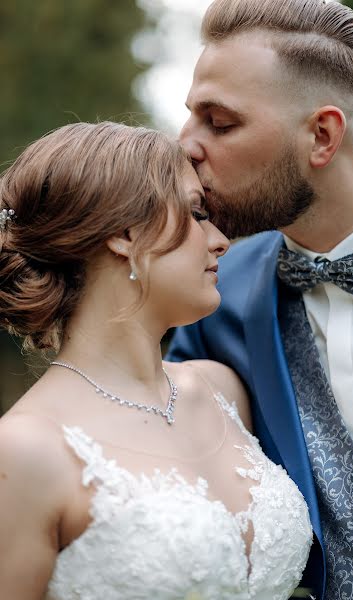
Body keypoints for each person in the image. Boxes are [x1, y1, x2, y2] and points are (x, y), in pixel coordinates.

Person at [0, 121, 312, 600]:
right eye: (196, 213)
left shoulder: (222, 390)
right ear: (124, 233)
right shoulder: (24, 450)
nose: (220, 240)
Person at [167, 0, 353, 598]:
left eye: (219, 123)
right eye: (189, 119)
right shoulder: (205, 299)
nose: (185, 147)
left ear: (322, 135)